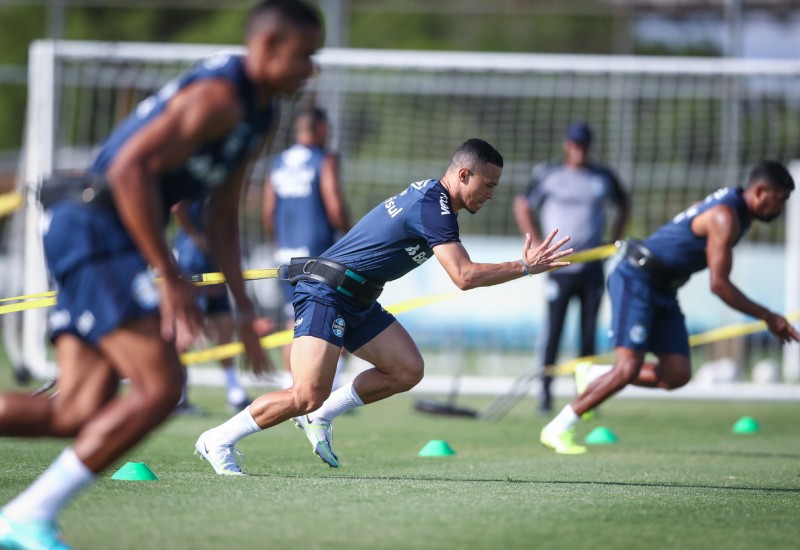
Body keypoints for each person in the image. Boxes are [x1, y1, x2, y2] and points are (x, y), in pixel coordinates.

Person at [0, 1, 321, 547]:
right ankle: (27, 516)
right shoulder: (220, 96)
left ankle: (24, 518)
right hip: (94, 224)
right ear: (267, 47)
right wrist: (168, 275)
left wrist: (246, 309)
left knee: (76, 409)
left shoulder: (260, 115)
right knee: (161, 386)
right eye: (304, 56)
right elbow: (127, 169)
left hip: (102, 232)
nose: (310, 70)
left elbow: (221, 215)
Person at [195, 138, 573, 475]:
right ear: (463, 174)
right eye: (487, 185)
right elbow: (464, 276)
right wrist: (525, 267)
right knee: (305, 393)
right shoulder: (434, 206)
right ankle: (219, 439)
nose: (491, 195)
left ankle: (322, 415)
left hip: (358, 298)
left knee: (407, 369)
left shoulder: (436, 201)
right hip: (326, 292)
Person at [540, 160, 799, 455]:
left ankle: (596, 375)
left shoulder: (732, 203)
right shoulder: (727, 216)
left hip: (664, 287)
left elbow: (697, 210)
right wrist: (769, 316)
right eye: (781, 201)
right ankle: (558, 427)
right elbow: (719, 285)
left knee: (677, 373)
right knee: (628, 368)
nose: (781, 211)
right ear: (763, 192)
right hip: (636, 278)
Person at [513, 121, 629, 413]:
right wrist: (536, 241)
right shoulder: (550, 174)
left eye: (584, 145)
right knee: (554, 333)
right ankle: (545, 394)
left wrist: (613, 240)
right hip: (558, 267)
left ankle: (587, 398)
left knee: (588, 335)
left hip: (591, 267)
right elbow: (522, 204)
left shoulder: (602, 177)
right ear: (567, 145)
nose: (579, 150)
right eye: (575, 144)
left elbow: (624, 204)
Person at [263, 107, 350, 385]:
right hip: (319, 253)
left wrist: (279, 243)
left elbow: (268, 211)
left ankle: (292, 386)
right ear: (321, 128)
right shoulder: (324, 160)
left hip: (286, 253)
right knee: (338, 312)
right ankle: (329, 385)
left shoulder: (278, 162)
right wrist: (351, 235)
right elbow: (334, 204)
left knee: (294, 319)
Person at [171, 197, 261, 415]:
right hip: (192, 265)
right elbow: (177, 208)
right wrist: (196, 237)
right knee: (185, 335)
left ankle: (235, 393)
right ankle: (178, 398)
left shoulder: (223, 186)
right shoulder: (196, 181)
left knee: (225, 329)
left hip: (214, 265)